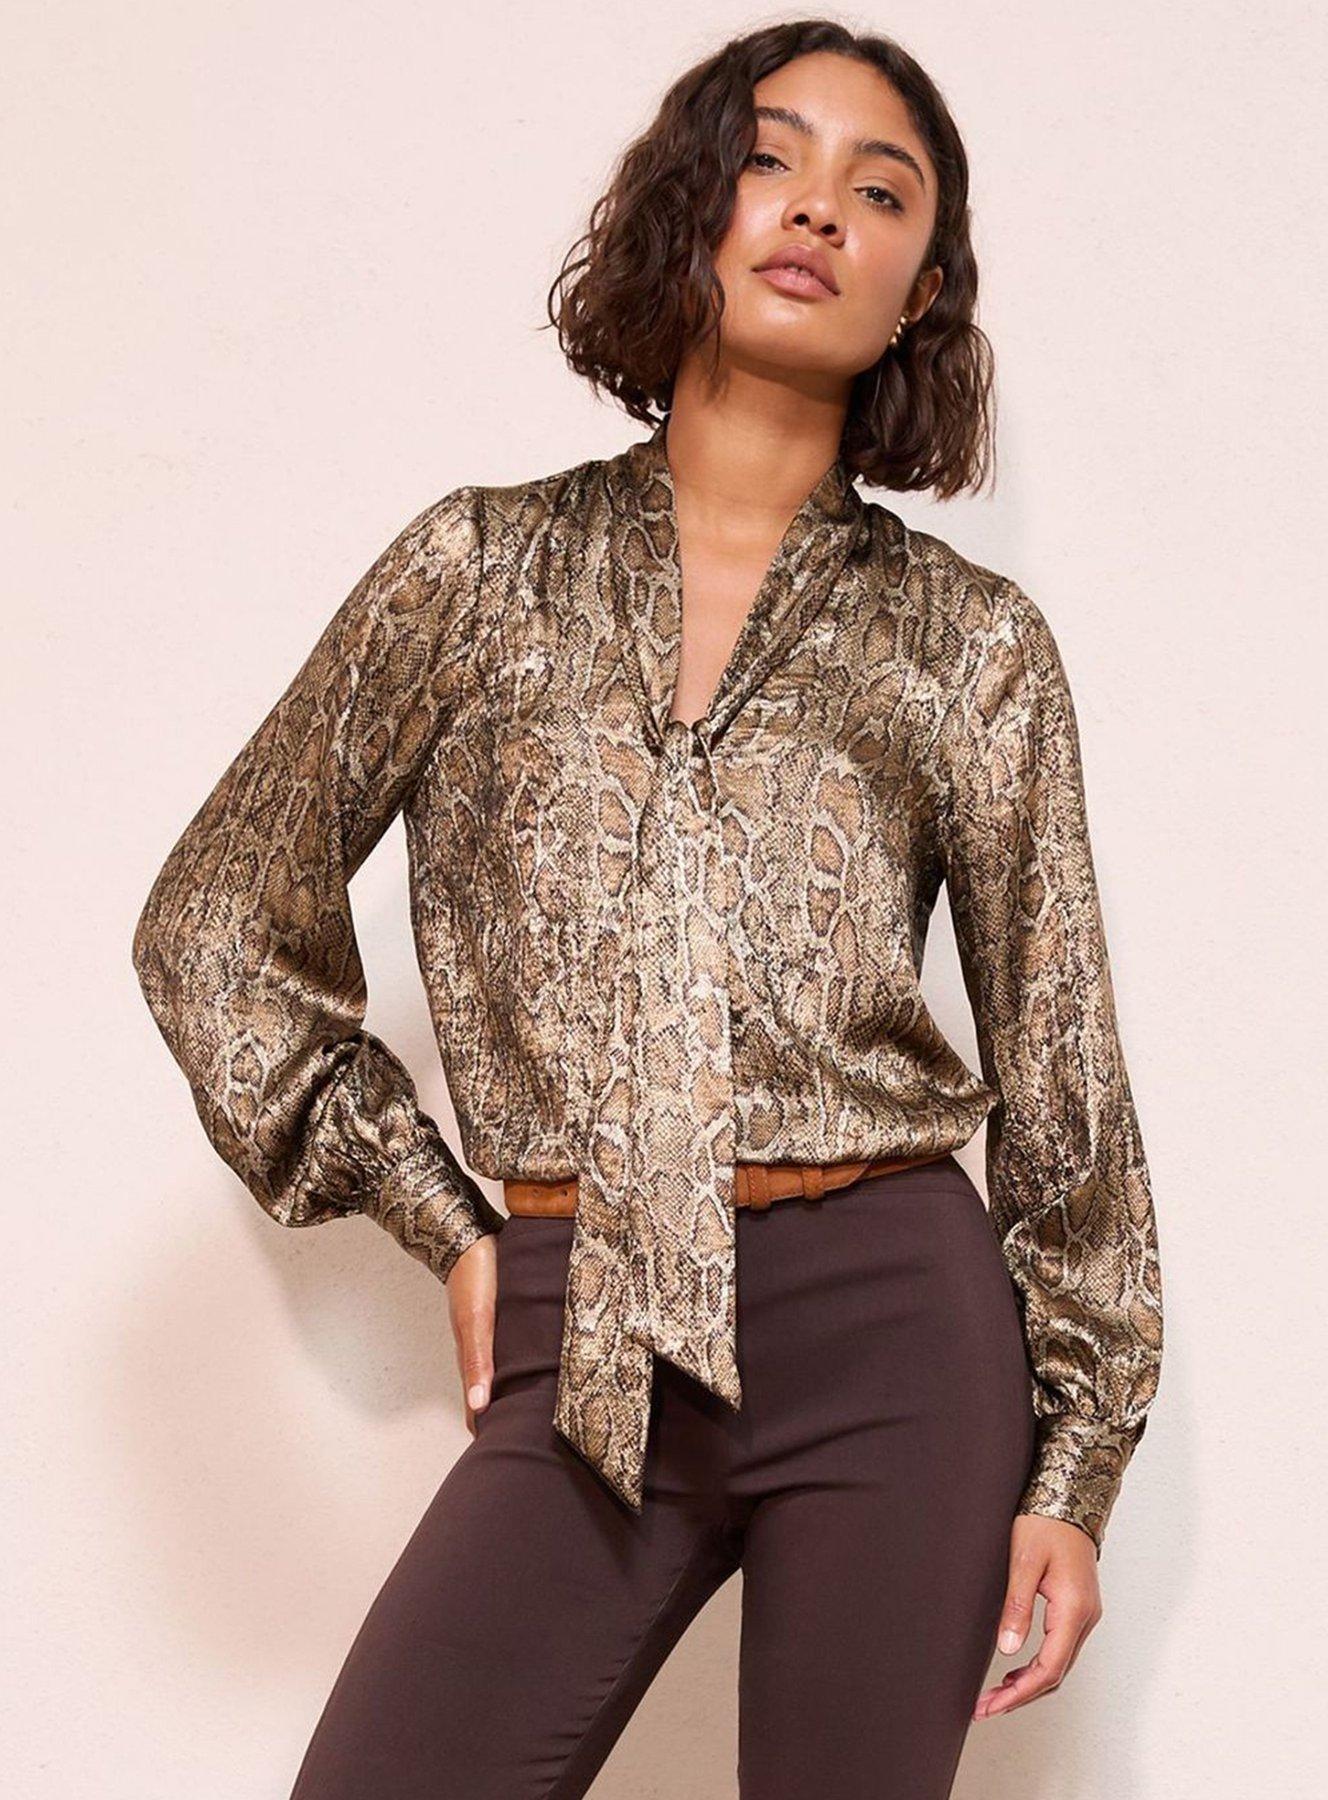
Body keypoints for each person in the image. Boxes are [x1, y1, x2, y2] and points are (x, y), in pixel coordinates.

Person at [130, 20, 1164, 1799]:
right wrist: (444, 1220)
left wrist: (1072, 1473)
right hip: (581, 1313)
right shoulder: (475, 570)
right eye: (770, 158)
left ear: (920, 292)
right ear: (692, 204)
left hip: (894, 1334)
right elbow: (213, 920)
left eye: (881, 193)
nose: (818, 209)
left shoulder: (971, 647)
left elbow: (1060, 1072)